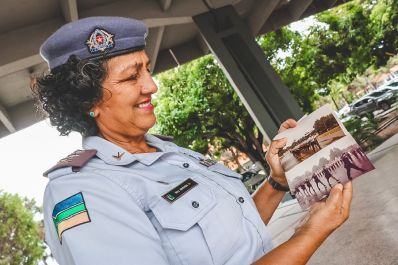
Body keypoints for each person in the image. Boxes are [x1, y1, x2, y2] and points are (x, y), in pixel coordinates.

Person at [33, 16, 353, 265]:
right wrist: (311, 232)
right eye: (132, 77)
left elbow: (236, 233)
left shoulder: (170, 152)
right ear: (87, 100)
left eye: (147, 70)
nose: (152, 86)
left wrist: (276, 182)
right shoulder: (82, 190)